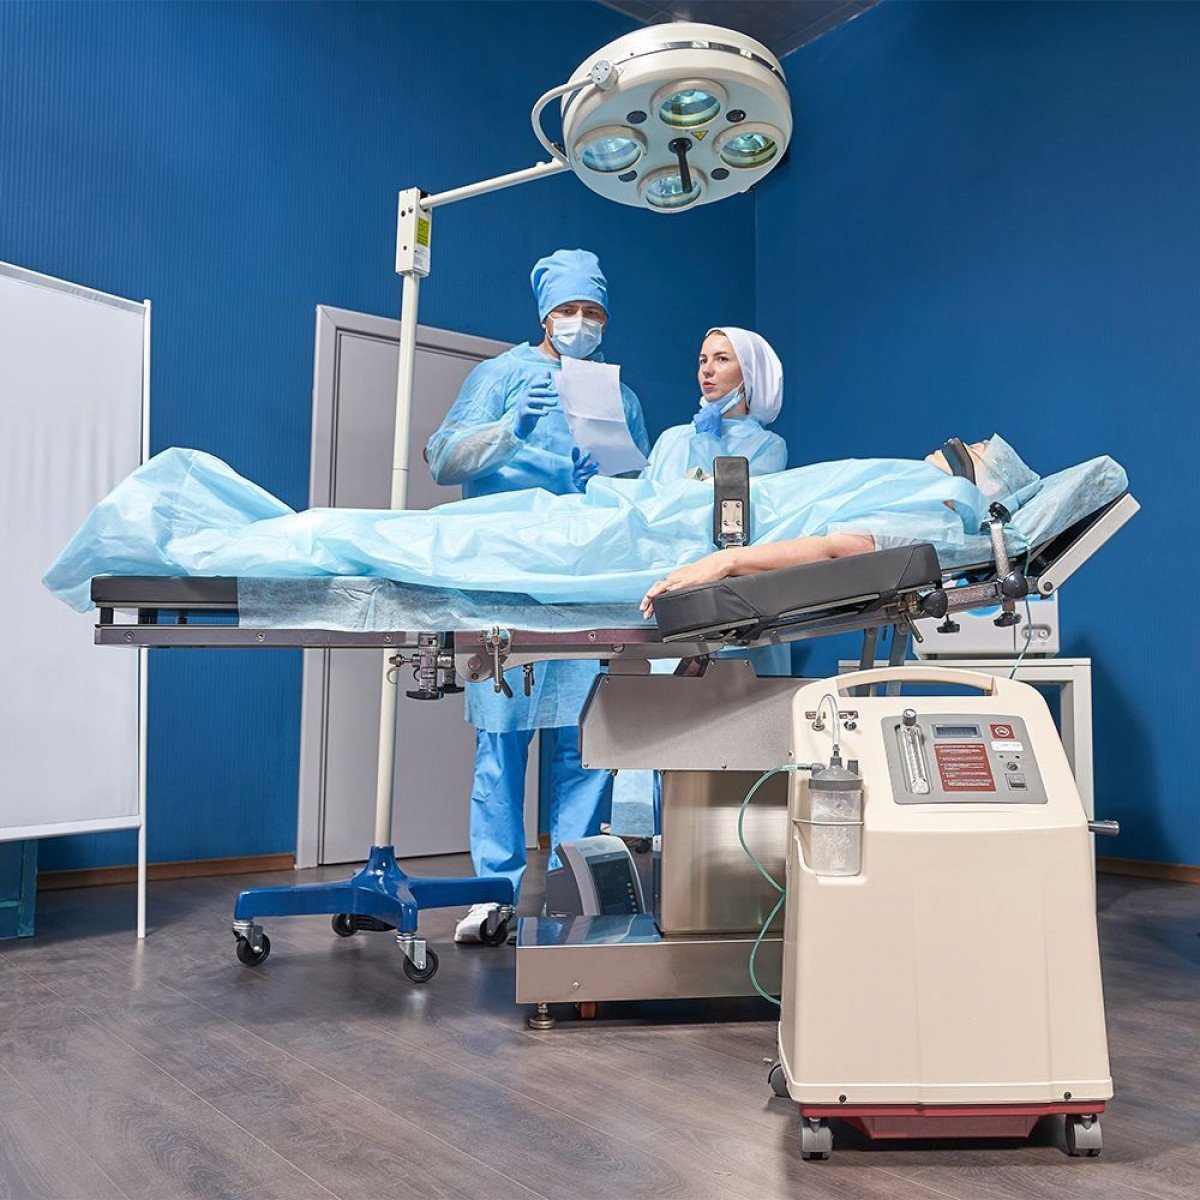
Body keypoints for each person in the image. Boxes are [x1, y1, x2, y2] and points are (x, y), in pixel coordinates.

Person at [424, 249, 651, 941]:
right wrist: (508, 431)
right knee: (501, 743)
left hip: (582, 586)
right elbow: (442, 460)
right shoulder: (501, 376)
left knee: (581, 748)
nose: (582, 322)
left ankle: (570, 888)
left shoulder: (617, 397)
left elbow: (639, 498)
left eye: (593, 311)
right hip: (508, 583)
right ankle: (492, 893)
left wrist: (604, 484)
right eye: (569, 310)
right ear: (545, 315)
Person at [641, 327, 788, 483]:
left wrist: (708, 441)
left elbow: (728, 496)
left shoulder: (768, 446)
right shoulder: (670, 438)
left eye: (722, 359)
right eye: (703, 361)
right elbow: (640, 494)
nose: (706, 370)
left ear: (750, 373)